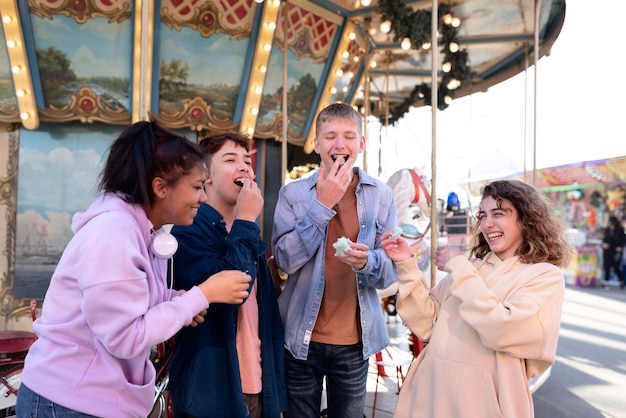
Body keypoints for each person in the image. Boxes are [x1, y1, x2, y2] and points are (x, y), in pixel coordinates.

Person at [16, 120, 251, 417]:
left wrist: (172, 299)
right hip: (69, 401)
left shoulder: (137, 230)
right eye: (196, 187)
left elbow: (129, 304)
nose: (202, 198)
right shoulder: (114, 234)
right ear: (160, 187)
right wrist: (201, 295)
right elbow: (125, 337)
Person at [380, 179, 571, 418]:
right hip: (432, 395)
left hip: (481, 405)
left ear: (526, 219)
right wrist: (406, 265)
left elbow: (502, 328)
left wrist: (459, 267)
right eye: (482, 215)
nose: (487, 224)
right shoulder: (472, 268)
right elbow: (427, 325)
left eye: (498, 214)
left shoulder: (544, 276)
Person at [271, 103, 397, 417]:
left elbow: (390, 272)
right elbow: (284, 261)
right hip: (301, 337)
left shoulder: (380, 195)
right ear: (316, 144)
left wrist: (368, 261)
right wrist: (322, 204)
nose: (339, 144)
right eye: (330, 136)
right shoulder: (294, 195)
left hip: (356, 341)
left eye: (348, 136)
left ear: (361, 144)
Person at [168, 132, 287, 418]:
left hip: (256, 381)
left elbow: (265, 319)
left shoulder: (248, 234)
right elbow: (229, 293)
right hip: (211, 390)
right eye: (231, 159)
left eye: (247, 160)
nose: (245, 167)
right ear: (205, 174)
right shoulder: (189, 230)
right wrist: (246, 220)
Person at [601, 215, 625, 289]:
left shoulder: (620, 230)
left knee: (616, 267)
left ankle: (621, 282)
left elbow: (624, 239)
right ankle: (606, 283)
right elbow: (604, 239)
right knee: (607, 266)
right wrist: (604, 244)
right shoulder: (607, 230)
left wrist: (620, 247)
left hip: (616, 251)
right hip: (607, 251)